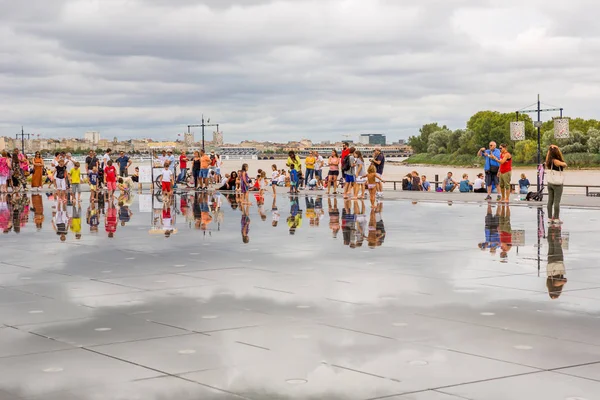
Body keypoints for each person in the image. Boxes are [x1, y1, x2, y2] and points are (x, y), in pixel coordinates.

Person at [546, 144, 567, 224]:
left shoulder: (548, 160)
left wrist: (550, 149)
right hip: (557, 183)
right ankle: (556, 218)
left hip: (550, 182)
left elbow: (548, 154)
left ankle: (549, 217)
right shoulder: (556, 161)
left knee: (550, 201)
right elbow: (564, 164)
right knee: (556, 201)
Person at [546, 225, 567, 299]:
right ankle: (550, 228)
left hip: (558, 262)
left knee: (556, 243)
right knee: (551, 243)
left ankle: (557, 228)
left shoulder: (555, 285)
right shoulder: (548, 284)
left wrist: (561, 284)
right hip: (550, 262)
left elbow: (563, 281)